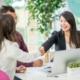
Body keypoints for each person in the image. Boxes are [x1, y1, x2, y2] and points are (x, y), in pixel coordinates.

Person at [0, 13, 45, 80]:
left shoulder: (2, 43)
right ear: (11, 28)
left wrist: (15, 69)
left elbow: (3, 63)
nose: (16, 22)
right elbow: (28, 57)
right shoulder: (10, 47)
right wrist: (39, 52)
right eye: (14, 20)